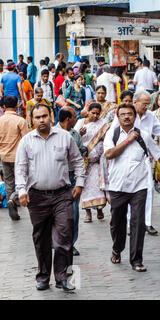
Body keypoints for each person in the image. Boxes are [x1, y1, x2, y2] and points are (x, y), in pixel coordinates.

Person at [15, 103, 85, 291]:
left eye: (44, 116)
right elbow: (20, 168)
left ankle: (63, 277)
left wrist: (79, 183)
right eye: (37, 117)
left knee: (65, 235)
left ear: (51, 116)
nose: (41, 120)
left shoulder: (64, 137)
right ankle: (43, 276)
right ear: (32, 119)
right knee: (41, 238)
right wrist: (22, 191)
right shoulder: (26, 141)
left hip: (62, 194)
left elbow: (78, 161)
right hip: (37, 198)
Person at [104, 103, 160, 272]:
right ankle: (117, 249)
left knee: (138, 223)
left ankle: (136, 260)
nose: (126, 117)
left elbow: (159, 154)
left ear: (135, 117)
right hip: (117, 186)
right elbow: (109, 154)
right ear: (118, 118)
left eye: (129, 114)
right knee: (116, 223)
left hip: (139, 186)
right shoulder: (113, 133)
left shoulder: (144, 136)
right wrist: (128, 140)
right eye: (123, 114)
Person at [56, 107, 87, 257]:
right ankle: (58, 240)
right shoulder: (52, 133)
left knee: (73, 213)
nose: (76, 119)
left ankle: (70, 243)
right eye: (75, 117)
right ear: (68, 119)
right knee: (58, 213)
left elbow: (80, 151)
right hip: (58, 178)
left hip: (73, 177)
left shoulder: (75, 134)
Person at [74, 103, 109, 223]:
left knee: (97, 186)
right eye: (92, 113)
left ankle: (99, 209)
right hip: (83, 162)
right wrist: (80, 134)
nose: (95, 115)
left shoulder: (102, 124)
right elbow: (74, 139)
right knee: (84, 187)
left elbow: (106, 140)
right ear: (87, 112)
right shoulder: (80, 123)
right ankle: (88, 213)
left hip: (96, 162)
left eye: (97, 113)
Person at [0, 95, 29, 220]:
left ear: (4, 107)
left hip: (4, 156)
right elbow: (27, 140)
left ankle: (13, 205)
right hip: (19, 157)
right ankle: (13, 199)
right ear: (16, 106)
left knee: (8, 182)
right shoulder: (20, 121)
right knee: (24, 181)